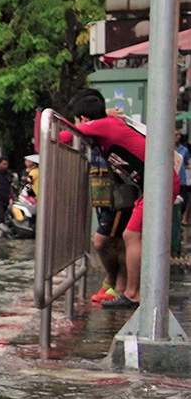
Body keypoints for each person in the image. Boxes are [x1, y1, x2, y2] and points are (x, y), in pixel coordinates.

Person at [64, 99, 177, 311]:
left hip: (159, 184)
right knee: (132, 236)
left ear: (84, 119)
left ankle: (133, 294)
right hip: (155, 184)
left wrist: (87, 122)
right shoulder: (108, 123)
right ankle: (134, 291)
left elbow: (63, 135)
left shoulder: (103, 125)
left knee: (131, 236)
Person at [74, 91, 135, 303]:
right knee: (114, 241)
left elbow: (68, 131)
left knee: (106, 241)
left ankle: (118, 284)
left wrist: (105, 117)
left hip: (117, 194)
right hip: (103, 195)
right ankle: (114, 283)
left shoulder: (106, 126)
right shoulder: (99, 127)